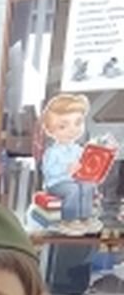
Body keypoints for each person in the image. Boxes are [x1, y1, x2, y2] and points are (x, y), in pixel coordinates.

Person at [39, 93, 99, 235]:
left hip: (76, 180)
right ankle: (69, 220)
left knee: (88, 186)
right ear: (50, 130)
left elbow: (86, 164)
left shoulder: (79, 149)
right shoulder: (53, 152)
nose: (72, 130)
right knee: (73, 190)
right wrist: (66, 170)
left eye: (77, 123)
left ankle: (85, 217)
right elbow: (49, 171)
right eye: (63, 126)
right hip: (57, 183)